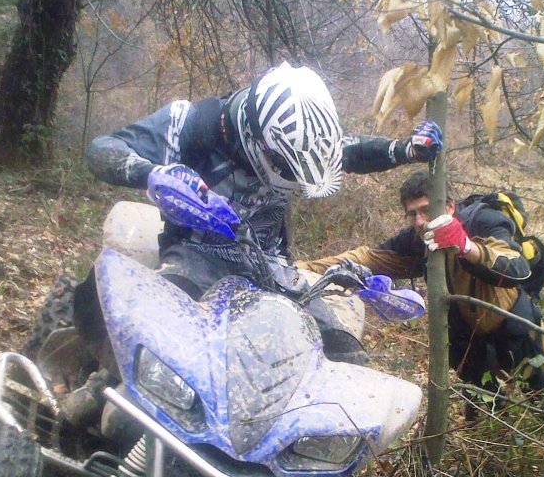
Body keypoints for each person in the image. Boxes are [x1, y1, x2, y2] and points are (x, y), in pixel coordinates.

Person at [85, 61, 443, 299]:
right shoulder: (191, 124)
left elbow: (350, 151)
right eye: (288, 169)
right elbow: (103, 148)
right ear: (259, 143)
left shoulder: (296, 141)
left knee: (337, 345)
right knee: (162, 333)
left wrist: (407, 149)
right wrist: (152, 174)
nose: (293, 179)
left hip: (271, 267)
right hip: (195, 256)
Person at [297, 169, 544, 417]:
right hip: (468, 340)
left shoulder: (484, 220)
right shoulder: (416, 239)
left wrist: (467, 247)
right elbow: (367, 257)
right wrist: (301, 269)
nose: (420, 221)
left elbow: (517, 267)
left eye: (426, 210)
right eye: (412, 214)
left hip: (515, 325)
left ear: (449, 206)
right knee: (483, 409)